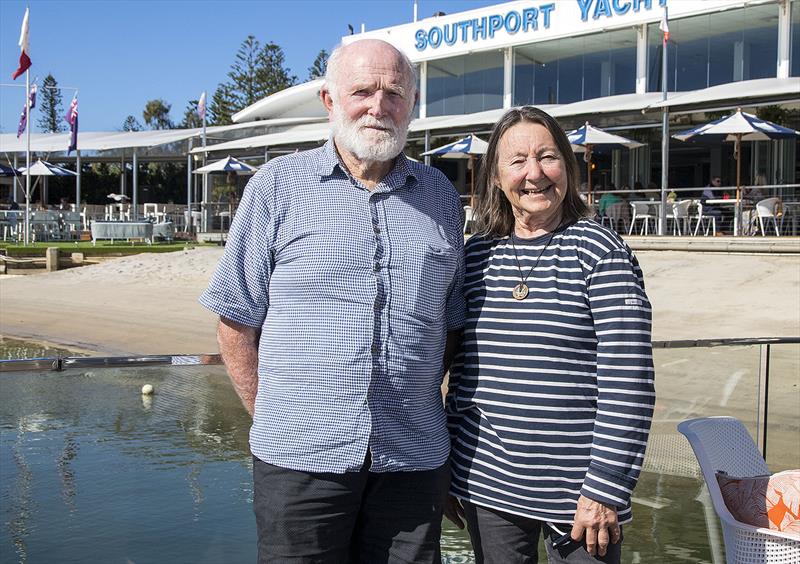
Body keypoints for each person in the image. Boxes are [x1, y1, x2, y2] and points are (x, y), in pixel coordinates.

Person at [200, 38, 465, 564]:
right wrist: (272, 414)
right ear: (329, 99)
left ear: (412, 104)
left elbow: (449, 322)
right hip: (299, 461)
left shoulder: (441, 196)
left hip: (413, 461)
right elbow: (235, 322)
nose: (378, 106)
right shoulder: (276, 187)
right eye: (362, 90)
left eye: (394, 93)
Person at [444, 106, 655, 564]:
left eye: (548, 156)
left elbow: (630, 380)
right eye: (517, 161)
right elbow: (460, 373)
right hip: (487, 483)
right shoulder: (476, 254)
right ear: (496, 177)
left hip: (581, 500)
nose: (534, 173)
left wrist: (606, 487)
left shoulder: (601, 252)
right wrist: (449, 469)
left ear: (567, 167)